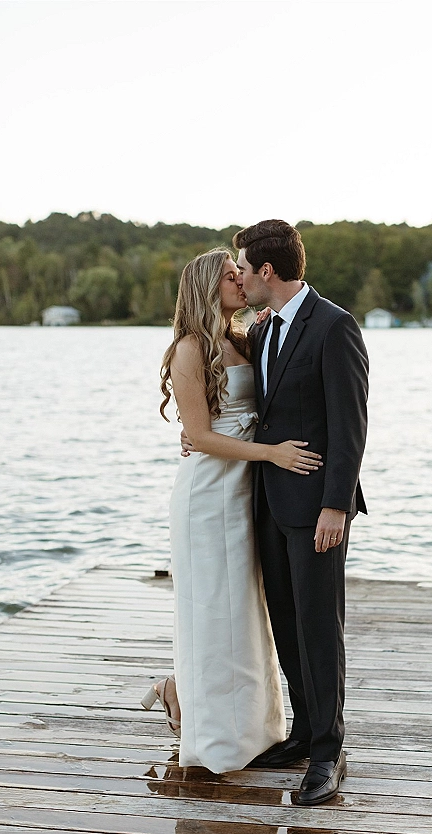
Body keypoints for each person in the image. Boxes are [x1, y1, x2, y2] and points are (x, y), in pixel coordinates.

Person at [184, 220, 369, 805]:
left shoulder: (335, 327)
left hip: (317, 508)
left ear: (267, 272)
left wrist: (336, 505)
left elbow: (350, 429)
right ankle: (303, 732)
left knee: (319, 624)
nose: (238, 276)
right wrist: (204, 434)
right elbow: (252, 411)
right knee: (285, 621)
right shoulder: (260, 332)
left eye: (243, 267)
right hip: (262, 503)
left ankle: (328, 751)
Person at [141, 247, 323, 774]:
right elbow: (198, 436)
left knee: (246, 614)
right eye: (229, 276)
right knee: (213, 613)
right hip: (207, 496)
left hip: (247, 494)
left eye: (240, 273)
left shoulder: (246, 337)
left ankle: (248, 727)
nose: (240, 281)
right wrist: (271, 452)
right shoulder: (190, 350)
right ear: (206, 286)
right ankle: (213, 733)